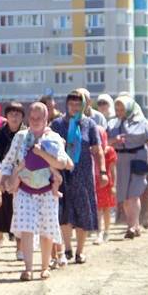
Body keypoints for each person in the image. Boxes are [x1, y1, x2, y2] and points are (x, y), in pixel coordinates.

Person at [0, 102, 71, 281]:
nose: (36, 121)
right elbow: (8, 162)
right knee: (26, 228)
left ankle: (45, 267)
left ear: (46, 119)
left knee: (47, 229)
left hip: (47, 189)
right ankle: (28, 268)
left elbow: (62, 163)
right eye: (32, 118)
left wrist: (42, 154)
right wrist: (4, 180)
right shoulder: (20, 137)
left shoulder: (53, 138)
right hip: (24, 188)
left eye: (39, 118)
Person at [51, 90, 104, 265]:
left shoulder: (89, 124)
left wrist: (103, 171)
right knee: (64, 211)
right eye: (71, 104)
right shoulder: (57, 124)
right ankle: (67, 248)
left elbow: (97, 150)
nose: (74, 107)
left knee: (83, 211)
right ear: (66, 104)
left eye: (78, 104)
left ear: (83, 105)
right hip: (63, 174)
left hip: (83, 174)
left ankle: (80, 251)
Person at [109, 96, 148, 239]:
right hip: (120, 161)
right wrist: (115, 140)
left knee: (134, 194)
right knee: (125, 196)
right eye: (117, 109)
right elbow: (105, 142)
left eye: (122, 109)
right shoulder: (112, 124)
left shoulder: (143, 123)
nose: (120, 112)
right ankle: (134, 225)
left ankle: (132, 226)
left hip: (138, 158)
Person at [0, 102, 25, 259]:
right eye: (11, 113)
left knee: (18, 212)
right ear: (7, 116)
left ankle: (20, 248)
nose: (14, 117)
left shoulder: (26, 135)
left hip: (21, 177)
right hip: (1, 175)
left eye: (18, 114)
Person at [95, 125, 117, 244]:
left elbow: (113, 169)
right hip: (95, 181)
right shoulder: (92, 151)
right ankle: (99, 231)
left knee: (107, 208)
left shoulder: (110, 151)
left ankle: (107, 231)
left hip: (107, 182)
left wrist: (114, 185)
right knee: (98, 208)